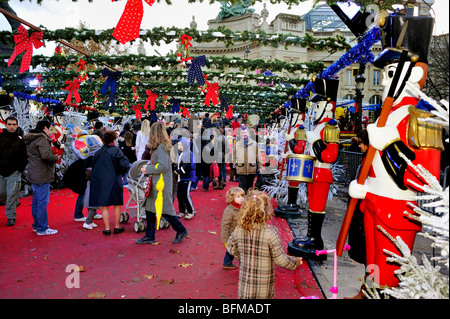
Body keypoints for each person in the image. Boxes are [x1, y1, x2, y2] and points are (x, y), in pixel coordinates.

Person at [348, 12, 444, 293]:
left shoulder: (422, 120)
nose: (386, 80)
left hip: (397, 206)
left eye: (390, 73)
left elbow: (424, 179)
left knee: (391, 268)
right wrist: (363, 186)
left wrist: (390, 144)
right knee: (372, 261)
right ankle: (369, 293)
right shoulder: (386, 117)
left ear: (414, 73)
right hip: (375, 200)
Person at [226, 190, 303, 299]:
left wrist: (242, 256)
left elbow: (231, 247)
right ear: (266, 211)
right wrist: (295, 261)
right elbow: (280, 259)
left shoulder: (239, 229)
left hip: (246, 285)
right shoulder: (271, 233)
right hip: (264, 286)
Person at [136, 122, 188, 244]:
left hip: (161, 185)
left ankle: (181, 230)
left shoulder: (161, 148)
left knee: (165, 210)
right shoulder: (160, 147)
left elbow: (163, 166)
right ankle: (150, 235)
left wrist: (148, 169)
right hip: (158, 183)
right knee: (150, 209)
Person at [89, 130, 130, 235]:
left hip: (101, 180)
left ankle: (107, 229)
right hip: (114, 178)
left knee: (105, 205)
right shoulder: (116, 151)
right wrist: (121, 173)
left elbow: (93, 165)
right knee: (117, 204)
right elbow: (124, 165)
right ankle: (117, 226)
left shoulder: (98, 152)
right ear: (114, 140)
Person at [23, 120, 59, 235]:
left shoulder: (31, 139)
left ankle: (37, 225)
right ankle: (42, 228)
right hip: (42, 174)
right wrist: (55, 157)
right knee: (42, 202)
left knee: (36, 201)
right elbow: (46, 156)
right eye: (50, 129)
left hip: (34, 173)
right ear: (45, 128)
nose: (50, 132)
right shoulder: (41, 139)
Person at [0, 116, 28, 226]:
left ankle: (11, 217)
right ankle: (16, 202)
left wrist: (19, 169)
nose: (12, 127)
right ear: (6, 125)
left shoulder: (20, 140)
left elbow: (25, 157)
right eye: (10, 124)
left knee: (11, 194)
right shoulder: (0, 137)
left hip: (14, 172)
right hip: (1, 171)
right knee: (2, 193)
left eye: (14, 124)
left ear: (17, 126)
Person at [232, 126, 263, 193]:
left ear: (248, 133)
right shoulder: (237, 145)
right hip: (241, 168)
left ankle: (248, 200)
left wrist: (260, 166)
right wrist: (235, 164)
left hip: (251, 168)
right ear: (240, 134)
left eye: (245, 132)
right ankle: (242, 200)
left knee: (250, 187)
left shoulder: (254, 144)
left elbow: (258, 156)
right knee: (242, 187)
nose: (244, 134)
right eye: (242, 133)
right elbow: (234, 155)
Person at [220, 186, 245, 270]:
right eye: (238, 197)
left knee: (233, 250)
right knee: (232, 250)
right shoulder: (229, 210)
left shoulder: (242, 207)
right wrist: (225, 238)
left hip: (241, 234)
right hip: (232, 235)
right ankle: (241, 265)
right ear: (231, 198)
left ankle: (227, 263)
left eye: (242, 196)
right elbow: (225, 225)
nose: (241, 198)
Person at [175, 137, 196, 220]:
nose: (179, 147)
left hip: (187, 177)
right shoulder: (180, 153)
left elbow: (189, 165)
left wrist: (179, 170)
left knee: (185, 194)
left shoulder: (188, 153)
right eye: (179, 145)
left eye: (181, 145)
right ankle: (182, 210)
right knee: (179, 194)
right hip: (181, 177)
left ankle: (191, 211)